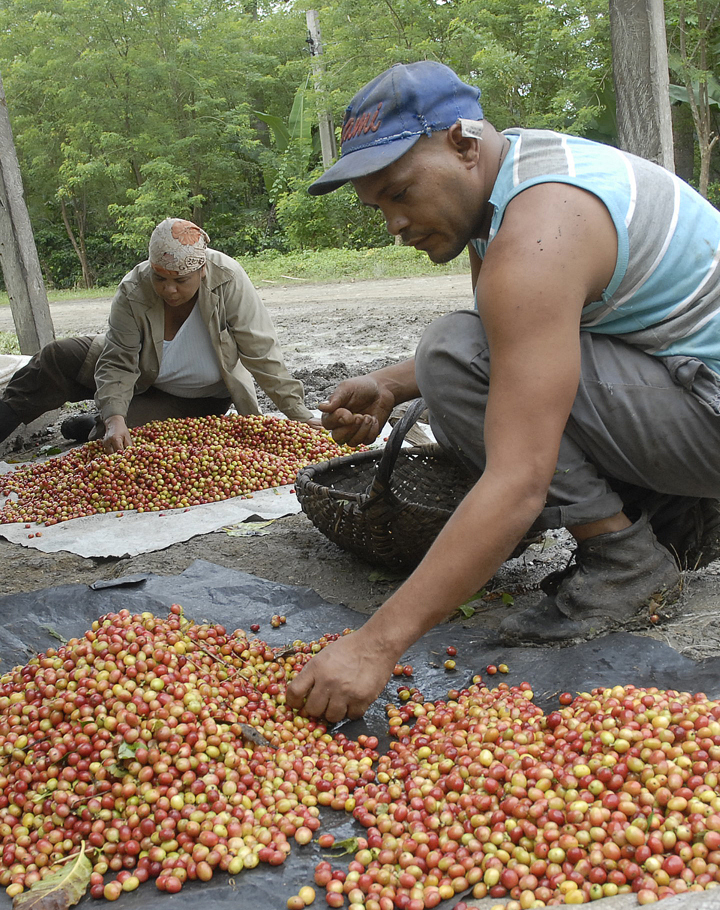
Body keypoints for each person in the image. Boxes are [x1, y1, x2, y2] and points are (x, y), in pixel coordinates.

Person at [286, 60, 720, 722]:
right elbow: (515, 343)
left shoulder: (540, 229)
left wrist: (374, 647)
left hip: (706, 409)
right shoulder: (517, 176)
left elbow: (520, 480)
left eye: (401, 194)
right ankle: (674, 513)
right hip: (689, 383)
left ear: (462, 143)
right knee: (452, 356)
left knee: (451, 356)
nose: (394, 226)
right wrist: (387, 384)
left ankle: (626, 562)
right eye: (379, 208)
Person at [0, 218, 317, 453]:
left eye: (180, 280)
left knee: (126, 447)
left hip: (193, 399)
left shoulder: (228, 279)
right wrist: (115, 417)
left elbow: (262, 354)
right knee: (57, 358)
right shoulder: (134, 288)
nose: (169, 289)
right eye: (160, 277)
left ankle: (94, 423)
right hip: (139, 373)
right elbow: (118, 361)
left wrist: (298, 414)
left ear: (201, 270)